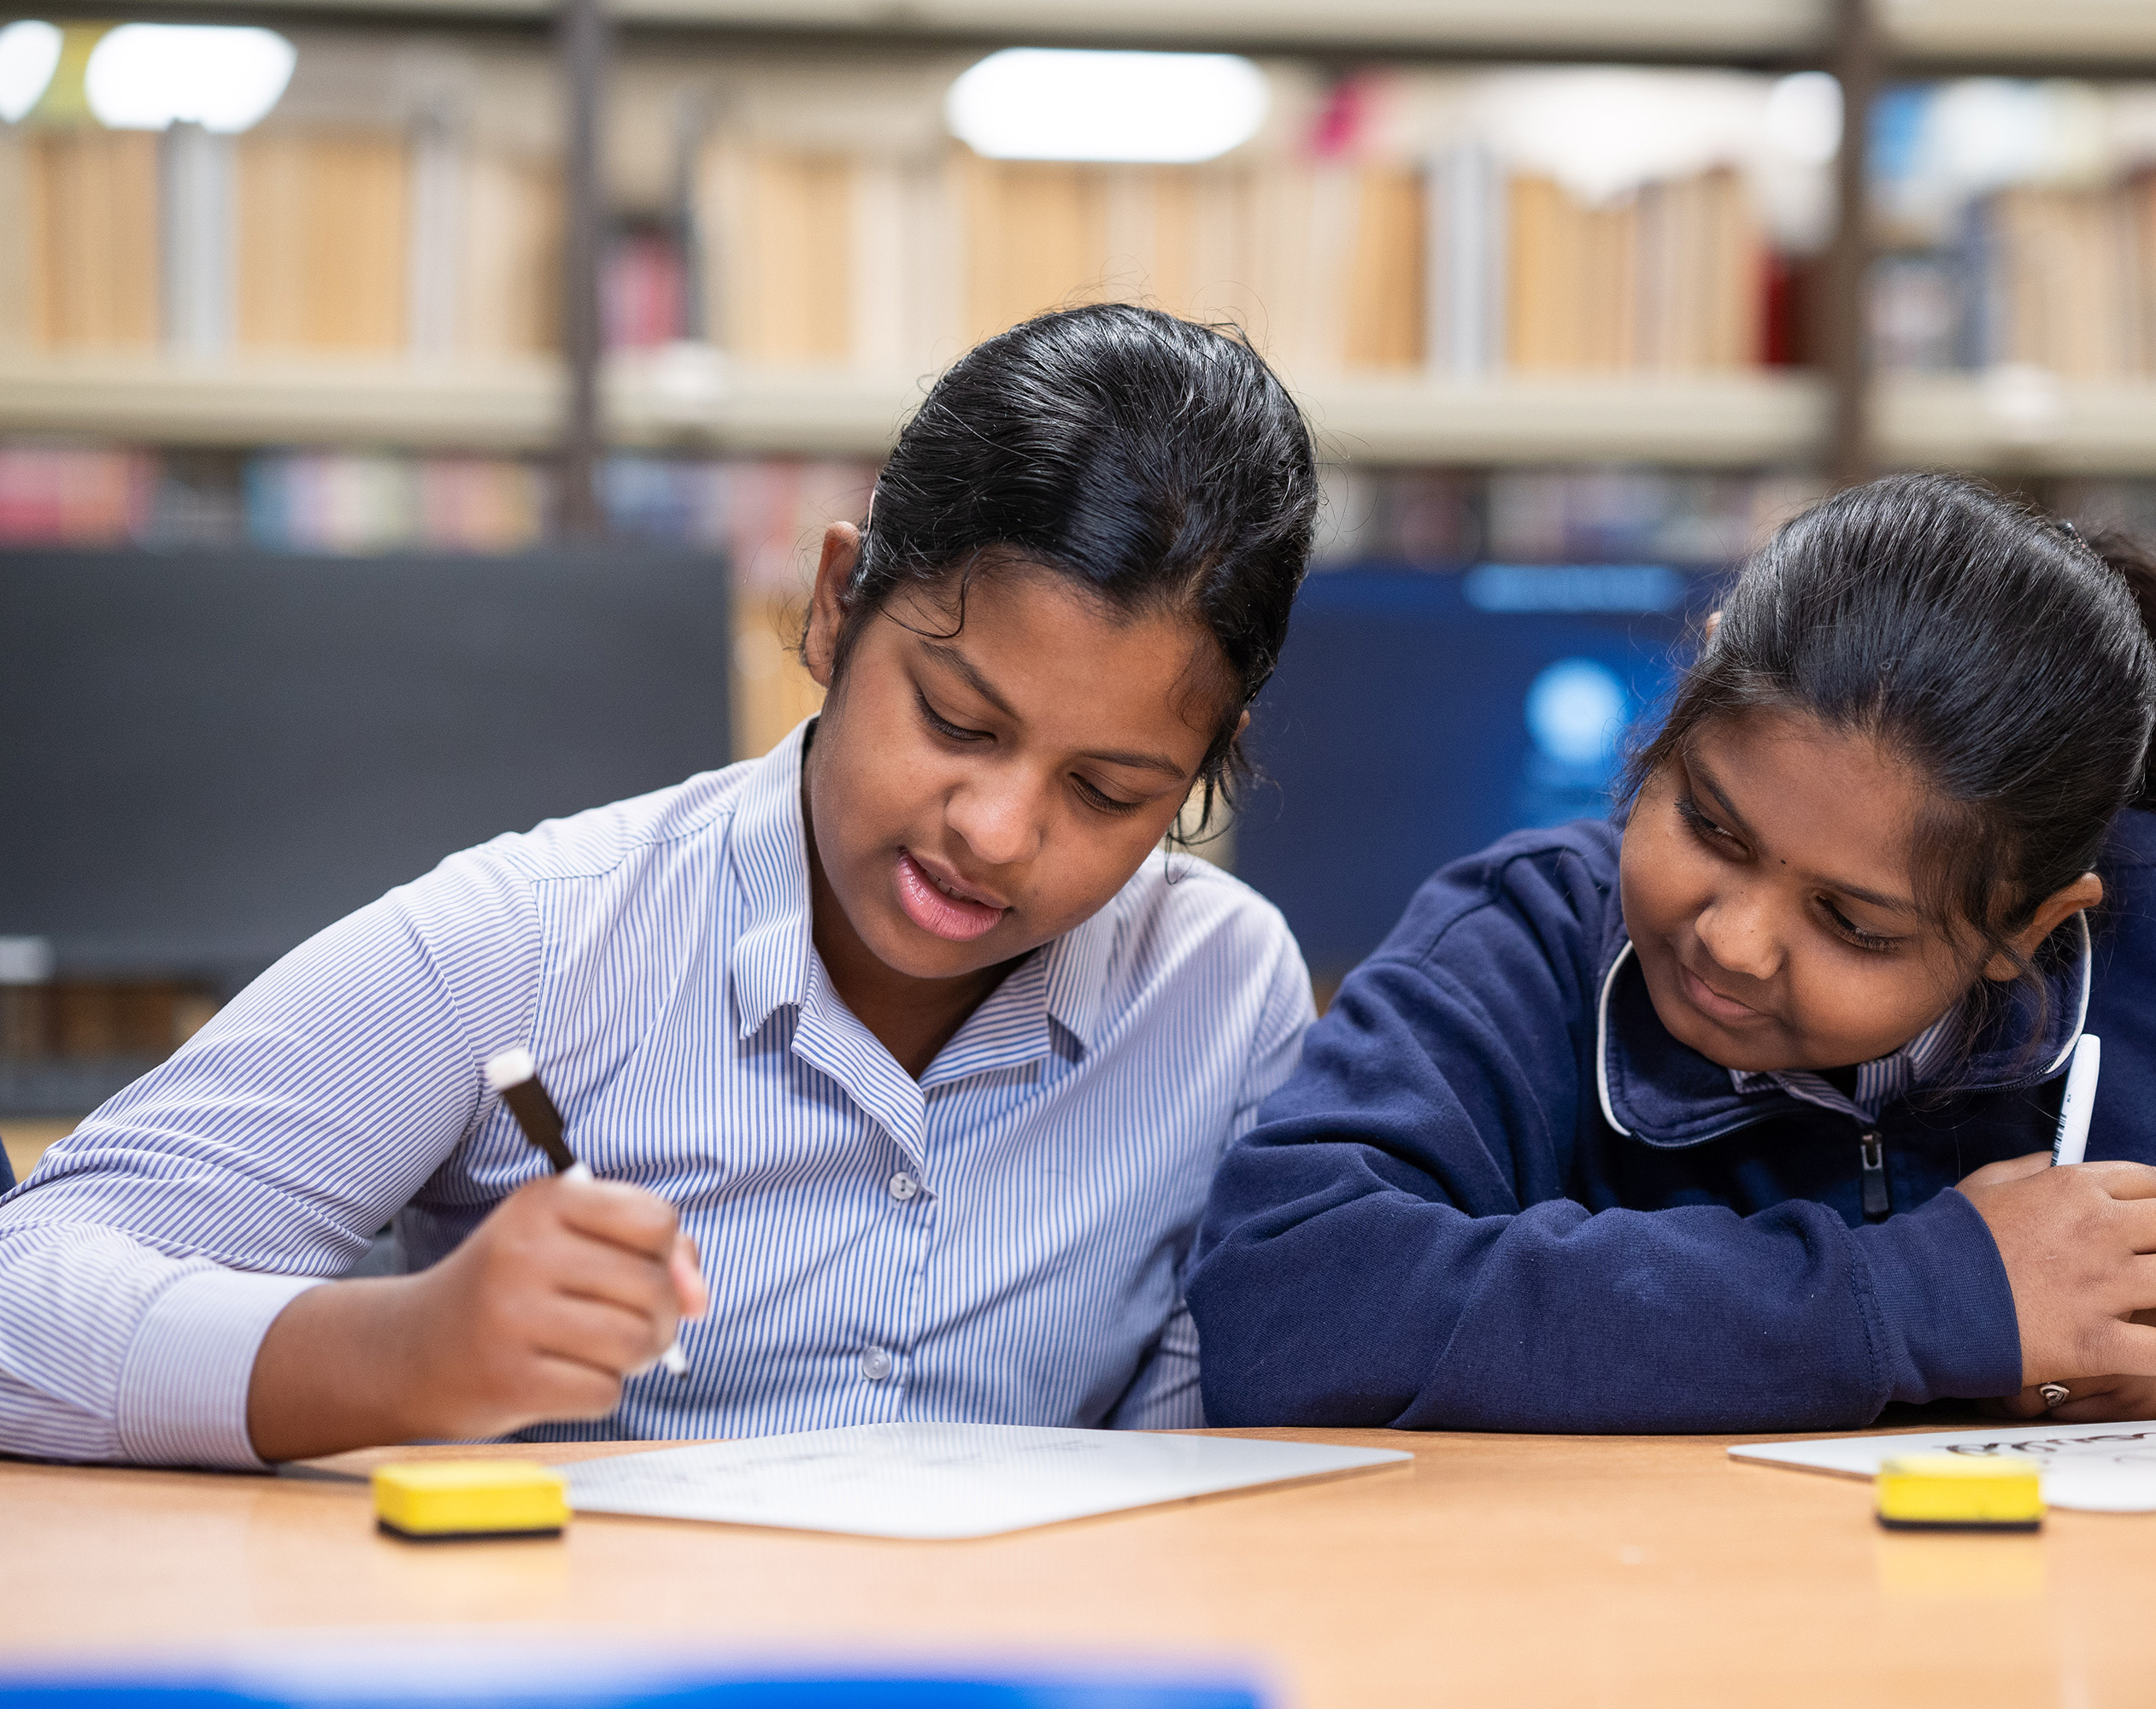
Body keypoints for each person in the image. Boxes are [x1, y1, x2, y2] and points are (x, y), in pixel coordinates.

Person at [0, 304, 1319, 1466]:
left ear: (1202, 768)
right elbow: (23, 1299)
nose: (997, 831)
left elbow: (1185, 1478)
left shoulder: (1219, 993)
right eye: (955, 721)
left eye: (1108, 792)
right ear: (835, 604)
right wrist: (402, 1352)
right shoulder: (531, 942)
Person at [1186, 471, 2156, 1432]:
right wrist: (1924, 1295)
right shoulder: (1525, 942)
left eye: (1855, 925)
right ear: (1690, 692)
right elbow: (1290, 1300)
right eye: (1709, 825)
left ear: (2030, 930)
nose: (1734, 940)